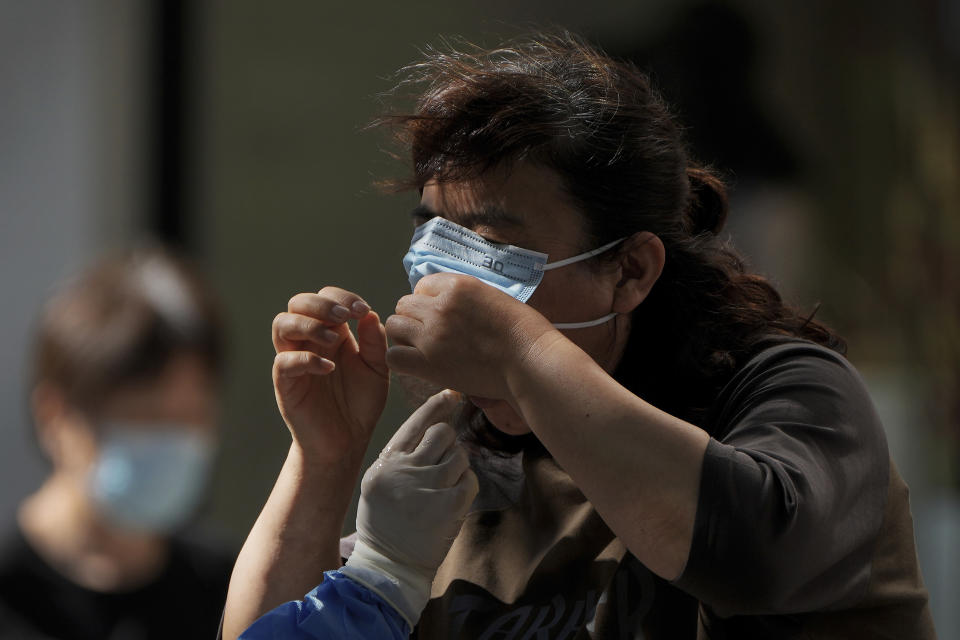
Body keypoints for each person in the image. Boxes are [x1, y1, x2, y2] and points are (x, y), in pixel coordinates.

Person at [224, 32, 936, 639]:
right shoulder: (457, 472)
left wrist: (521, 351)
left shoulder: (782, 393)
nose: (446, 287)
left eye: (490, 248)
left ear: (629, 270)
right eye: (435, 240)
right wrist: (324, 462)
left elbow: (751, 554)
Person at [0, 248, 234, 639]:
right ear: (55, 416)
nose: (175, 441)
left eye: (193, 416)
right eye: (146, 416)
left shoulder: (230, 591)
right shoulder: (12, 593)